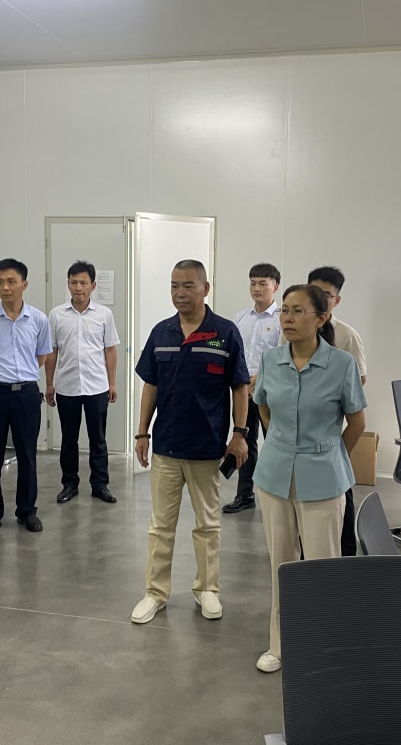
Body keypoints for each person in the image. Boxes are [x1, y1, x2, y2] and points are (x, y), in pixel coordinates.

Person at [252, 283, 366, 673]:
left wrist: (330, 454)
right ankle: (280, 645)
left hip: (323, 478)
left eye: (298, 311)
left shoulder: (341, 364)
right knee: (281, 566)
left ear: (322, 318)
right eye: (285, 310)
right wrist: (281, 441)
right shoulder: (271, 360)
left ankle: (323, 647)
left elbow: (356, 422)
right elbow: (262, 405)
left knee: (321, 568)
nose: (288, 317)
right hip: (275, 475)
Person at [131, 259, 250, 625]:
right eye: (174, 286)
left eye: (187, 286)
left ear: (205, 288)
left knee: (208, 525)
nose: (179, 293)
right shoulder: (162, 332)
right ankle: (155, 592)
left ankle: (207, 589)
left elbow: (239, 387)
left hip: (207, 449)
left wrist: (239, 434)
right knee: (160, 526)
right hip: (166, 447)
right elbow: (150, 385)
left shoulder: (224, 333)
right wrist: (142, 432)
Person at [0, 258, 53, 539]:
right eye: (0, 282)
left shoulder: (38, 320)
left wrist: (20, 377)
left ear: (24, 284)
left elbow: (42, 356)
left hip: (26, 395)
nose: (5, 287)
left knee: (27, 454)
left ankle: (27, 511)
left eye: (11, 281)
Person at [44, 261, 120, 505]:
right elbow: (51, 351)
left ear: (93, 286)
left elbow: (110, 350)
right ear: (68, 284)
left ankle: (100, 485)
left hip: (97, 386)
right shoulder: (56, 315)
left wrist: (112, 383)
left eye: (83, 283)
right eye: (74, 282)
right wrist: (49, 383)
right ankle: (69, 484)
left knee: (98, 439)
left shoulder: (104, 315)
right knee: (69, 439)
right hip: (67, 386)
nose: (78, 287)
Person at [308, 265, 368, 556]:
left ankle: (345, 558)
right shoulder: (292, 330)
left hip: (329, 432)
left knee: (340, 492)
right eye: (314, 293)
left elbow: (360, 380)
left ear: (337, 300)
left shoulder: (346, 336)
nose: (320, 299)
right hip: (300, 437)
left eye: (326, 295)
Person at [223, 263, 282, 514]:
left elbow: (281, 357)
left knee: (275, 443)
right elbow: (233, 353)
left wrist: (255, 381)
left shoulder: (281, 319)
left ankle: (278, 496)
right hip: (242, 392)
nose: (257, 288)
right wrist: (240, 383)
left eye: (262, 284)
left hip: (270, 392)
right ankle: (245, 494)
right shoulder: (240, 318)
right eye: (253, 283)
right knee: (244, 441)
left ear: (275, 287)